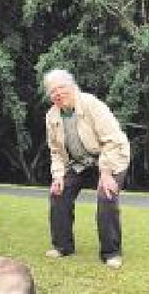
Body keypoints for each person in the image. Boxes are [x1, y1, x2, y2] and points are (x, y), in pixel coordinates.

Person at [43, 69, 130, 269]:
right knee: (59, 193)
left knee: (106, 194)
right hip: (80, 163)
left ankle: (111, 253)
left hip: (111, 157)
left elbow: (112, 141)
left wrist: (106, 173)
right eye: (52, 91)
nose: (57, 93)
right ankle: (62, 246)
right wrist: (58, 176)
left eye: (61, 88)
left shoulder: (92, 104)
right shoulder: (51, 116)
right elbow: (56, 151)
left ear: (72, 87)